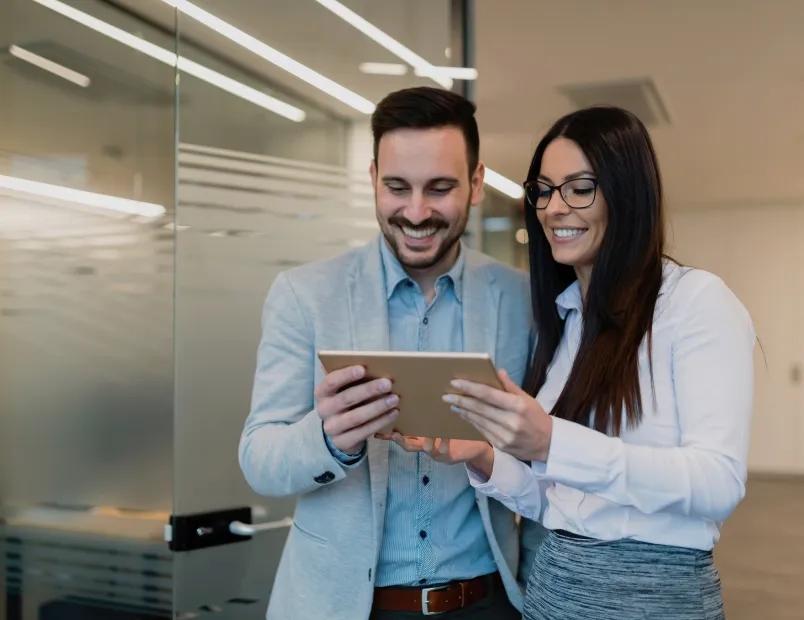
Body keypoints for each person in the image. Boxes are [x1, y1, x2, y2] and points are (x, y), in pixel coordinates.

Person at [398, 106, 755, 620]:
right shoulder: (569, 319)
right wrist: (483, 456)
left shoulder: (694, 302)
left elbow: (718, 484)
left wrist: (550, 442)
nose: (553, 208)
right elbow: (558, 506)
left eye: (580, 188)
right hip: (554, 591)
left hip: (652, 598)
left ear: (627, 195)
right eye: (543, 191)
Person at [238, 86, 541, 620]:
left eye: (440, 188)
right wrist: (328, 439)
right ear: (374, 178)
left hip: (487, 603)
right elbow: (259, 459)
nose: (416, 212)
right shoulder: (304, 295)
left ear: (476, 183)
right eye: (397, 187)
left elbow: (543, 461)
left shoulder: (522, 301)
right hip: (343, 608)